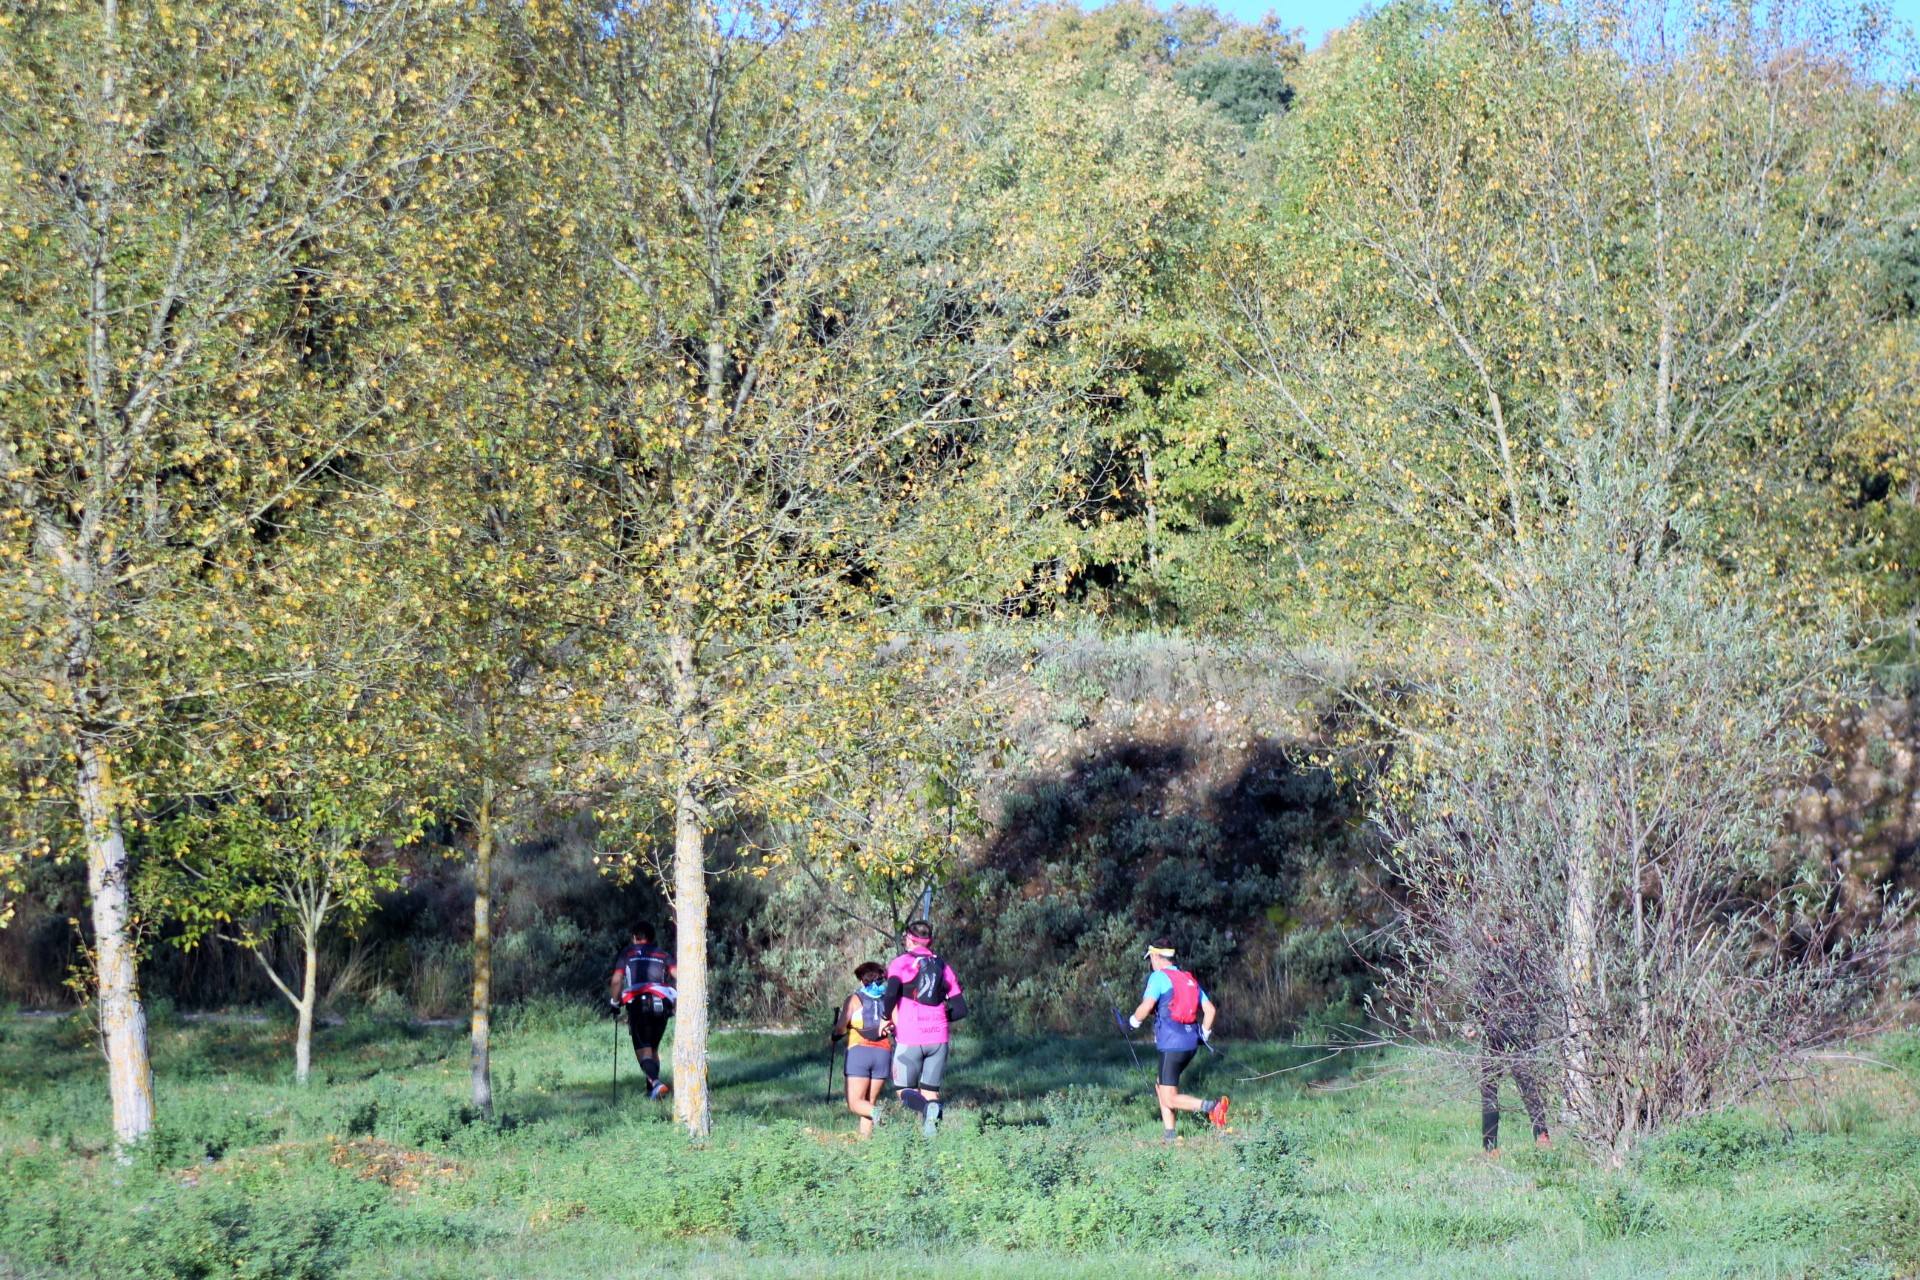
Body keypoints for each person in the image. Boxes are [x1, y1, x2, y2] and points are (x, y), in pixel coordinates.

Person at [1125, 938, 1229, 1141]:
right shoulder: (1187, 978)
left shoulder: (1158, 977)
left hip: (1171, 1045)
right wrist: (1203, 1036)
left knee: (1169, 1097)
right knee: (1161, 1084)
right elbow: (1210, 1010)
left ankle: (1212, 1107)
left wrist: (1130, 1023)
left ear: (1156, 956)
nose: (1151, 963)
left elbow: (1146, 1007)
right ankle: (1170, 1135)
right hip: (1190, 1043)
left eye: (1151, 959)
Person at [1474, 922, 1551, 1157]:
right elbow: (1540, 994)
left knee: (1489, 1088)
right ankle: (1542, 1136)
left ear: (1490, 933)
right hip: (1520, 1032)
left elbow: (1481, 995)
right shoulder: (1525, 960)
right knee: (1527, 1086)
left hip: (1495, 1033)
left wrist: (1477, 1021)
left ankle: (1490, 1148)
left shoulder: (1489, 960)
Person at [883, 920, 965, 1136]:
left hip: (910, 1036)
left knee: (904, 1090)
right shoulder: (943, 966)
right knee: (931, 1091)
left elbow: (891, 994)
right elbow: (960, 1009)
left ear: (909, 939)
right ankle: (931, 1147)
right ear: (931, 941)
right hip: (938, 1039)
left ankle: (927, 1109)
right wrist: (940, 1019)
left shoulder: (900, 963)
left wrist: (885, 1017)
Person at [608, 923, 676, 1101]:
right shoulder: (662, 954)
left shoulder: (628, 953)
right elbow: (679, 973)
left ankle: (655, 1083)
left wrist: (615, 1003)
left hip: (640, 1005)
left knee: (643, 1051)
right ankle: (652, 1092)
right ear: (653, 938)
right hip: (662, 1004)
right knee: (653, 1050)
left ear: (634, 937)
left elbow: (616, 981)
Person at [828, 961, 894, 1137]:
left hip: (860, 1052)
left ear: (863, 980)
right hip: (883, 1051)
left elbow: (841, 1027)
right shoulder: (888, 998)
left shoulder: (854, 999)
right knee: (869, 1102)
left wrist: (835, 1034)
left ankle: (882, 1115)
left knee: (855, 1103)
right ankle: (866, 1144)